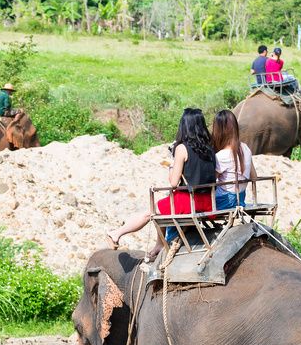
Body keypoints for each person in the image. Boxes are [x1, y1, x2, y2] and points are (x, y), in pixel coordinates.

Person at [108, 108, 217, 260]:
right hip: (208, 203)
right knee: (163, 206)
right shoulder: (210, 149)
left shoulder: (182, 148)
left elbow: (173, 182)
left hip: (188, 202)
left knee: (151, 212)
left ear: (184, 126)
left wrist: (171, 166)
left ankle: (117, 233)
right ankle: (159, 244)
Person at [212, 109, 252, 210]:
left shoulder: (221, 156)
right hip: (241, 198)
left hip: (224, 201)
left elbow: (210, 182)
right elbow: (254, 176)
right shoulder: (245, 148)